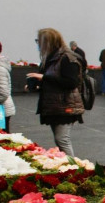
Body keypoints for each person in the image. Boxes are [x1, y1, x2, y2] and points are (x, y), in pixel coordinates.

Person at [27, 28, 84, 156]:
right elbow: (53, 79)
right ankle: (69, 167)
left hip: (65, 105)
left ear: (47, 42)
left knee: (62, 140)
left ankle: (73, 169)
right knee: (60, 140)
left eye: (39, 41)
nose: (37, 44)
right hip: (55, 105)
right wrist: (37, 85)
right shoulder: (50, 58)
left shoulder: (67, 58)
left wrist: (44, 78)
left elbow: (72, 83)